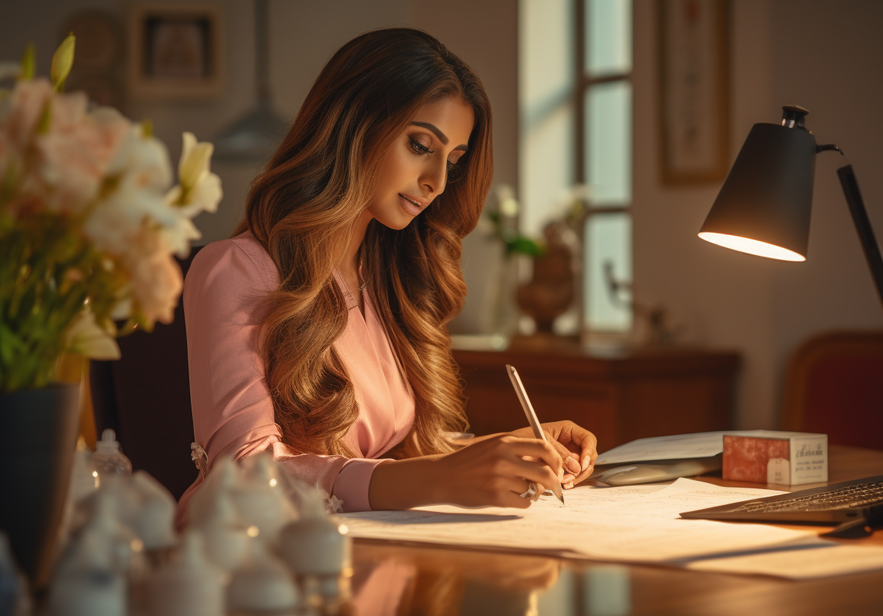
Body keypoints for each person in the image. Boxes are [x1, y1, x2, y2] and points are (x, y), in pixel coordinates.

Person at [179, 28, 598, 516]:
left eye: (453, 161)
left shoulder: (390, 281)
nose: (437, 182)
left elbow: (390, 457)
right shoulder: (236, 271)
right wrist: (444, 476)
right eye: (421, 145)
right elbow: (242, 474)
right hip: (264, 571)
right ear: (354, 124)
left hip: (372, 558)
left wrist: (508, 447)